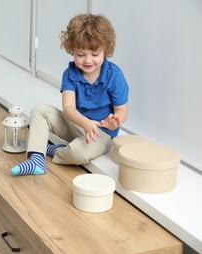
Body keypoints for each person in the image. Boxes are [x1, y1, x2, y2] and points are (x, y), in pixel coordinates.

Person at [11, 13, 129, 176]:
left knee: (78, 154)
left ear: (105, 50)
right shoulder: (70, 73)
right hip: (76, 123)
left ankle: (55, 150)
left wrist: (116, 121)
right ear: (72, 50)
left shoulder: (114, 75)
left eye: (95, 54)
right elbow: (68, 108)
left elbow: (122, 109)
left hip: (101, 133)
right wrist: (85, 122)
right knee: (40, 109)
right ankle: (36, 159)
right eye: (81, 54)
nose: (88, 60)